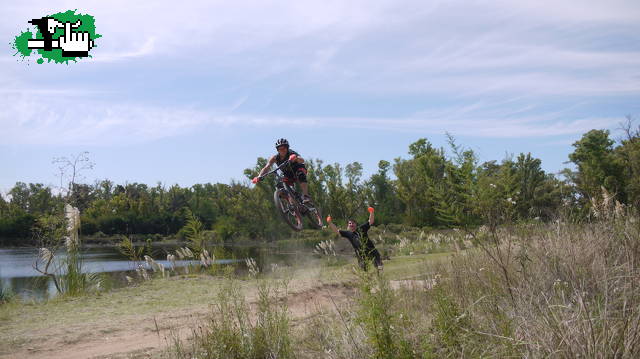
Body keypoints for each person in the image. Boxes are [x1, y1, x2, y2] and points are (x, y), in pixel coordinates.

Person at [252, 138, 313, 203]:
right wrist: (259, 176)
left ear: (287, 148)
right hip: (288, 174)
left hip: (298, 169)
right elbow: (266, 167)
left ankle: (306, 196)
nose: (282, 150)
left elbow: (302, 160)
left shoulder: (291, 153)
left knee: (300, 174)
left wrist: (296, 158)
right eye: (280, 149)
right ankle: (292, 204)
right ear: (277, 150)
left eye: (284, 148)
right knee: (279, 187)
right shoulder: (275, 158)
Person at [326, 207, 383, 272]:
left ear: (356, 224)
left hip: (371, 250)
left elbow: (371, 221)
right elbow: (336, 231)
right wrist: (330, 223)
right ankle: (367, 279)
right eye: (349, 223)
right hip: (361, 254)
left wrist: (371, 212)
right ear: (348, 225)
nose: (351, 224)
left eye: (353, 223)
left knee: (379, 266)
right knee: (364, 270)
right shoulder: (348, 233)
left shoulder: (361, 228)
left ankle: (380, 277)